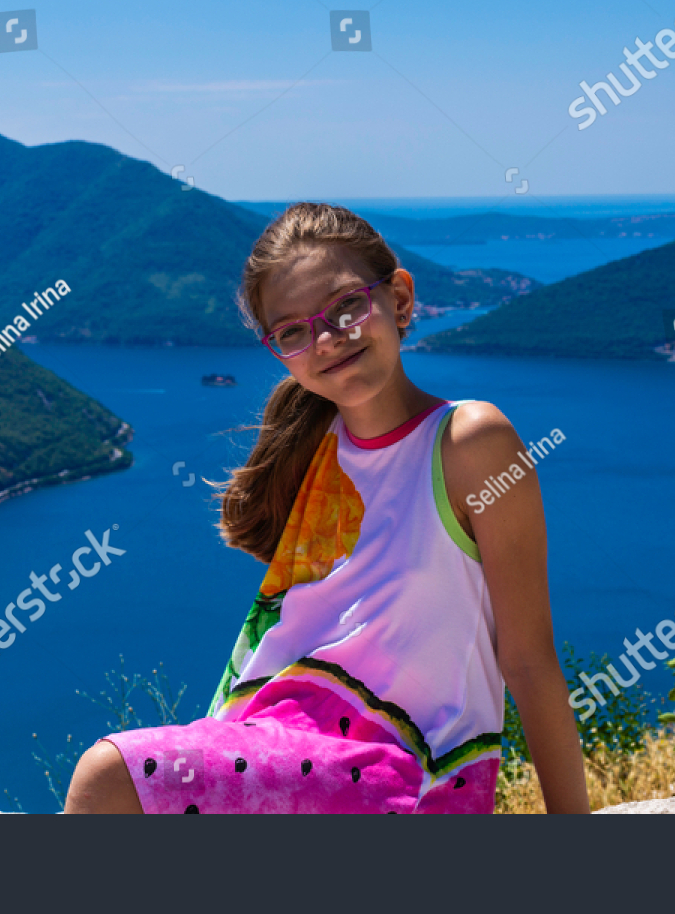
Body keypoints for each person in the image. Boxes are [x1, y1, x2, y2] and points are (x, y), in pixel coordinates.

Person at [65, 202, 588, 814]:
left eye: (346, 307)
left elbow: (528, 659)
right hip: (290, 755)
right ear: (278, 351)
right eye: (293, 331)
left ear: (399, 298)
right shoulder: (313, 449)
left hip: (411, 778)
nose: (328, 339)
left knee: (108, 772)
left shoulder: (471, 442)